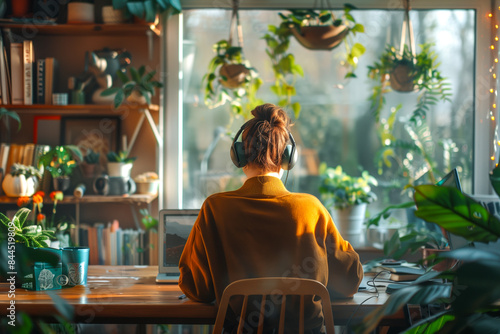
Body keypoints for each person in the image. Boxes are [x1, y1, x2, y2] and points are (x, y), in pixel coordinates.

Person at [179, 103, 363, 332]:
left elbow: (195, 288)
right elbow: (349, 281)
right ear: (288, 159)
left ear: (239, 156)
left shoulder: (214, 209)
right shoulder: (311, 209)